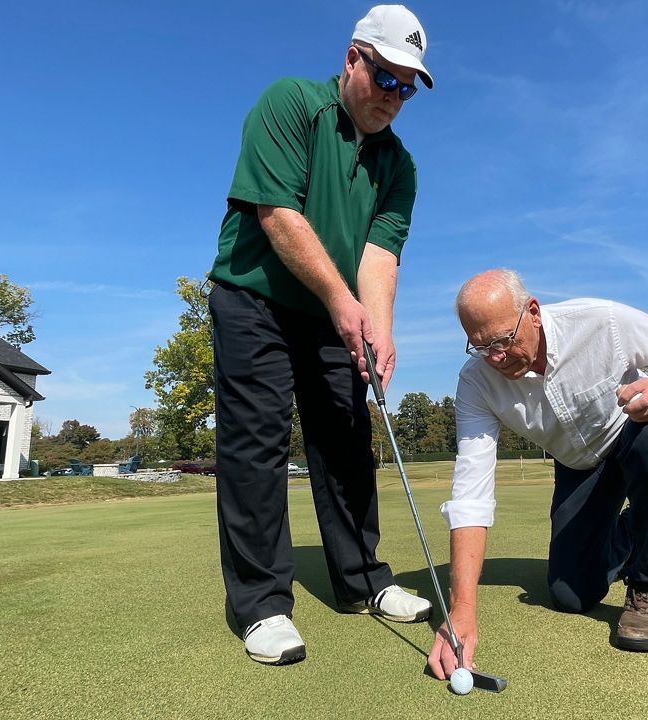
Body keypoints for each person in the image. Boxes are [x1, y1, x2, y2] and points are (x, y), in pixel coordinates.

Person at [206, 5, 435, 666]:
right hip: (256, 299)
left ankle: (363, 581)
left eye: (407, 87)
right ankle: (262, 605)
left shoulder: (400, 166)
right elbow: (278, 215)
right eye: (385, 78)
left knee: (346, 440)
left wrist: (379, 332)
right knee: (257, 446)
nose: (394, 97)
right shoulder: (290, 103)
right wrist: (341, 302)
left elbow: (379, 256)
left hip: (333, 315)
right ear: (352, 59)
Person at [427, 269, 648, 679]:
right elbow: (471, 493)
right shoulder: (476, 384)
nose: (495, 357)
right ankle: (636, 526)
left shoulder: (601, 321)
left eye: (501, 341)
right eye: (480, 347)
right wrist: (461, 611)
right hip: (580, 467)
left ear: (532, 312)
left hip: (641, 433)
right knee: (570, 593)